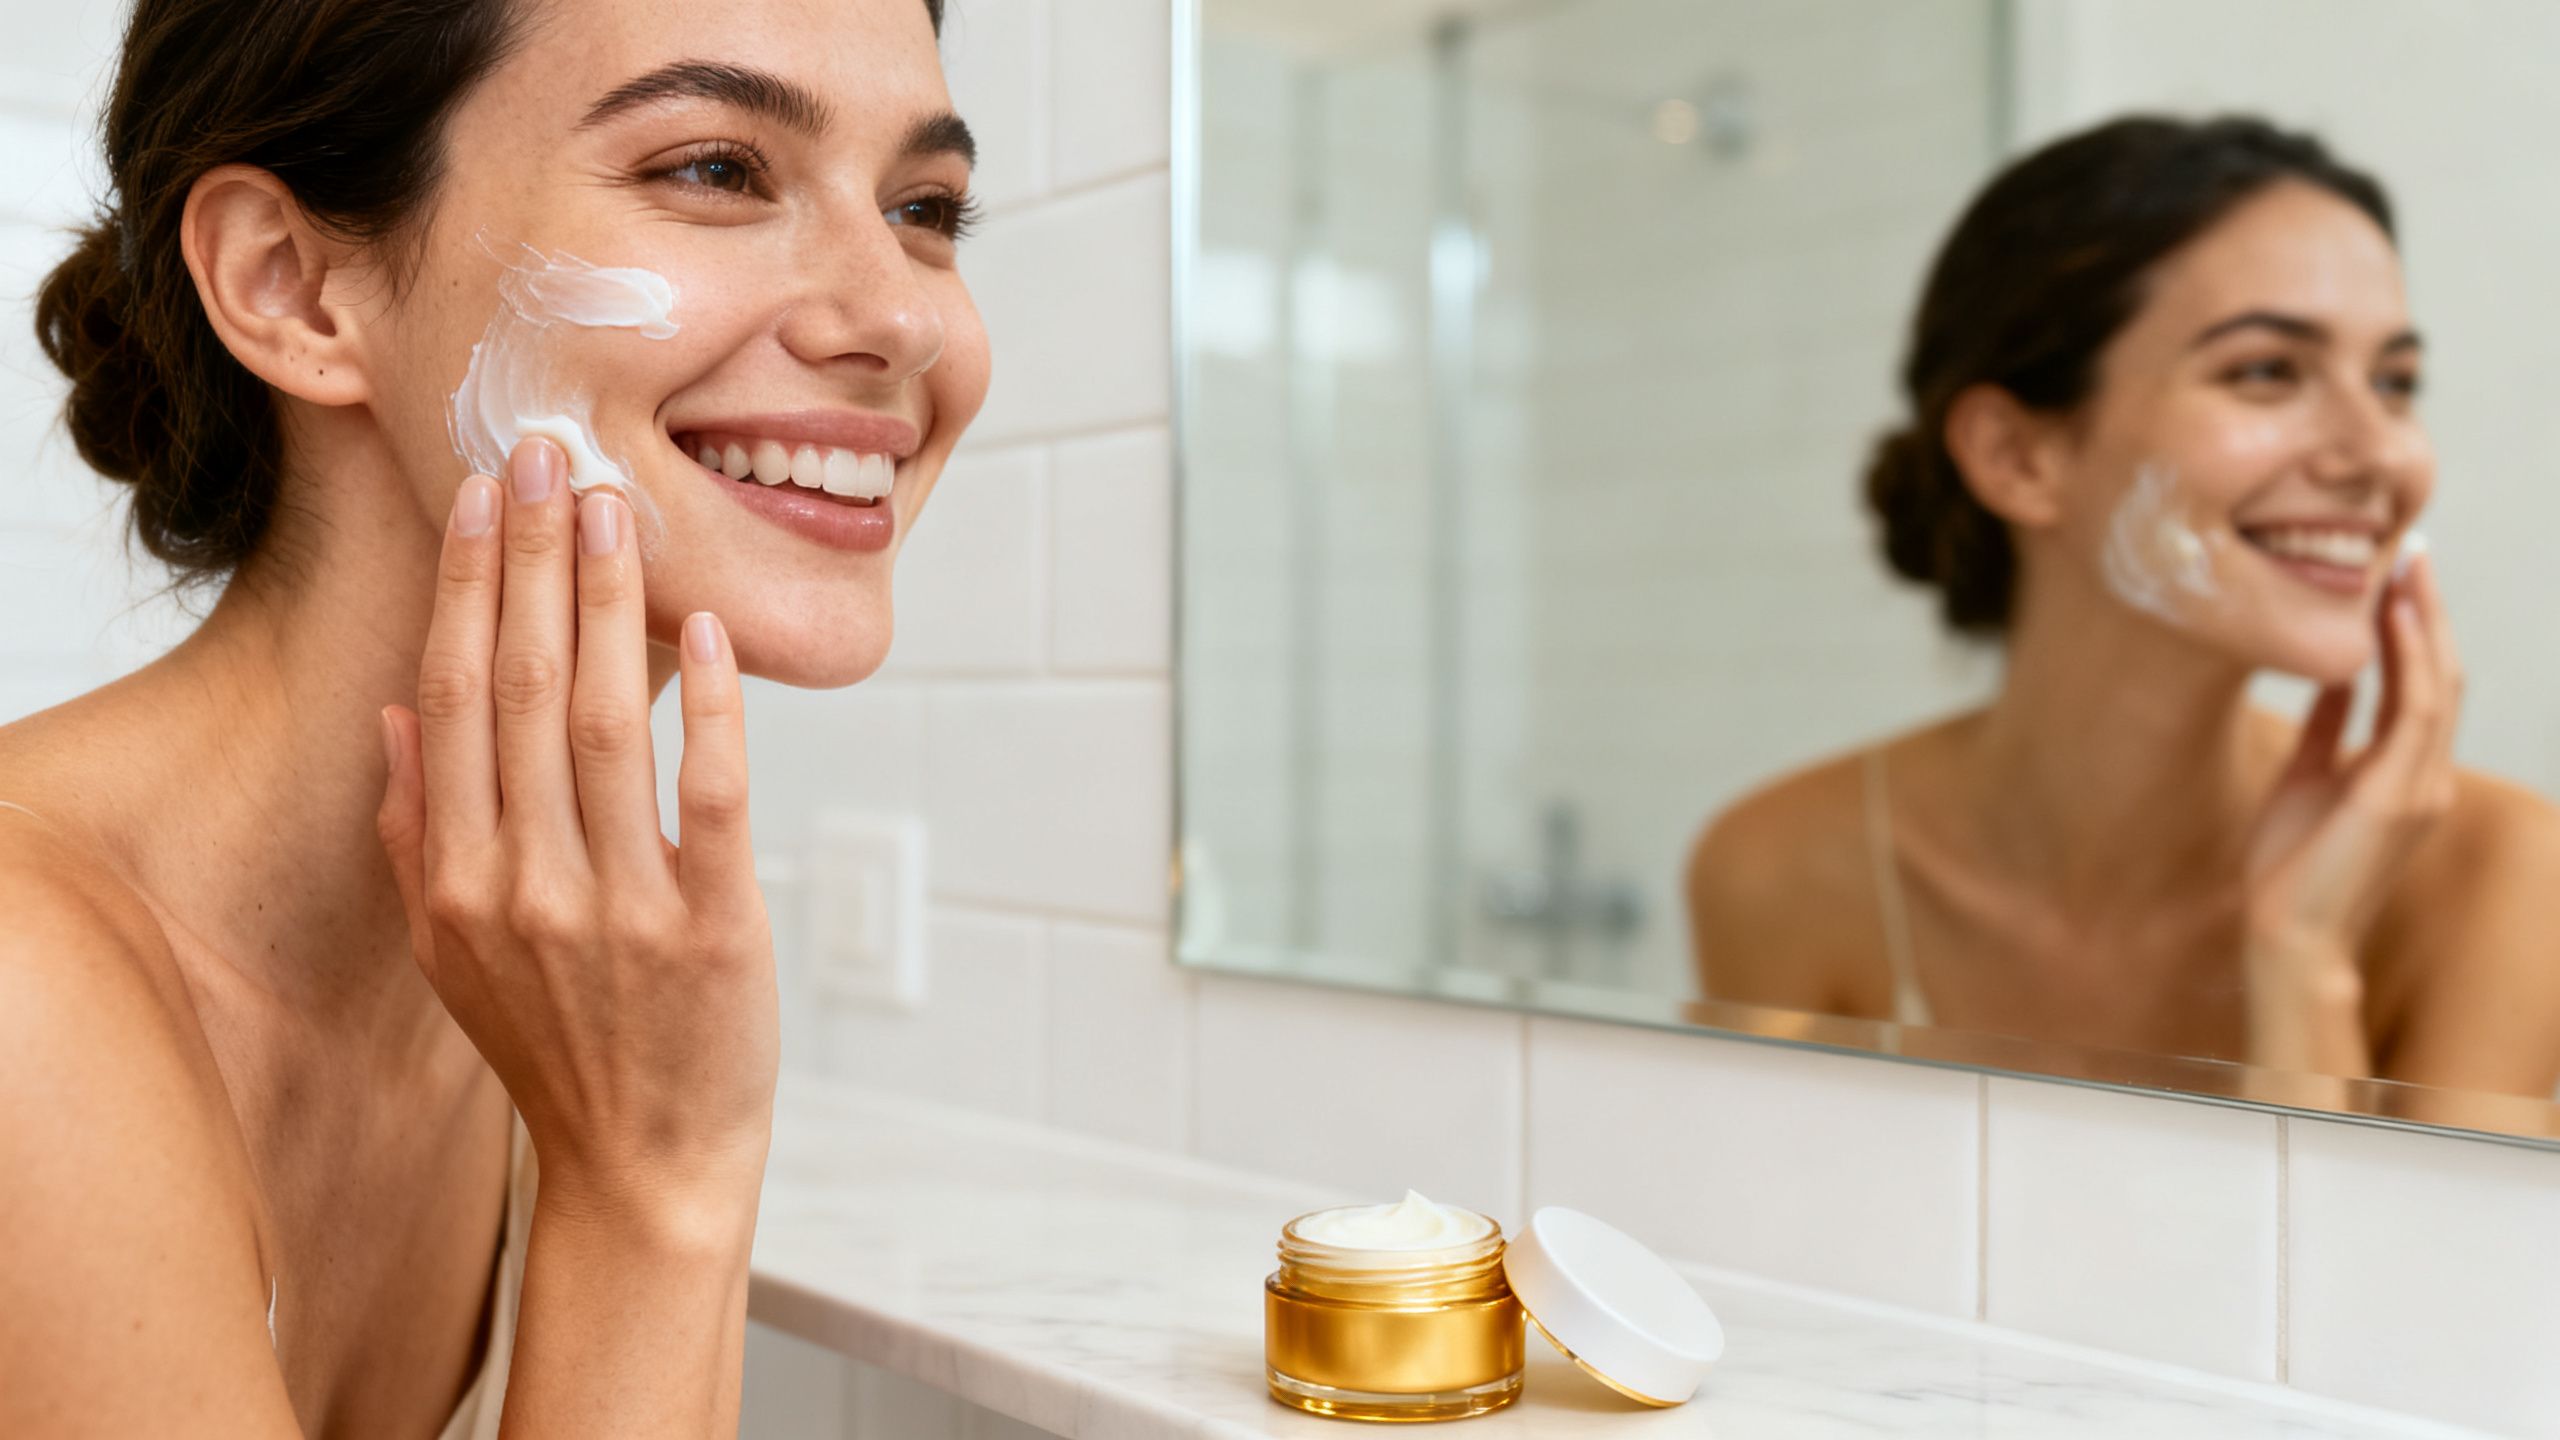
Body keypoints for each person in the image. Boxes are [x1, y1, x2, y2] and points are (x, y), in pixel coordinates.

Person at [0, 0, 988, 1432]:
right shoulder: (23, 999)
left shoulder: (551, 983)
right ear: (293, 286)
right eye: (715, 169)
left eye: (927, 206)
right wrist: (651, 1189)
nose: (902, 315)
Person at [1686, 116, 2560, 1100]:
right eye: (2266, 371)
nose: (2383, 456)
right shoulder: (1780, 868)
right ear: (2019, 458)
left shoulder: (2503, 878)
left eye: (2395, 382)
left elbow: (2380, 1263)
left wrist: (2304, 962)